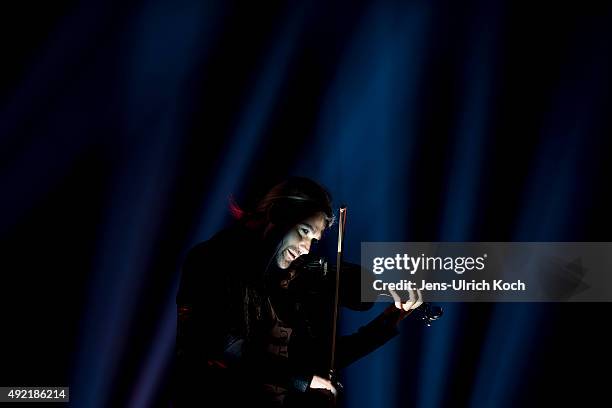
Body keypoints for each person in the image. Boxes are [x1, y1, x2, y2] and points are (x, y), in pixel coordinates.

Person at [173, 177, 421, 407]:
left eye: (314, 240)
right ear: (277, 214)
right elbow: (225, 347)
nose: (306, 250)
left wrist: (390, 314)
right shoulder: (211, 260)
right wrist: (304, 380)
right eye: (304, 231)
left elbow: (324, 360)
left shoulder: (293, 280)